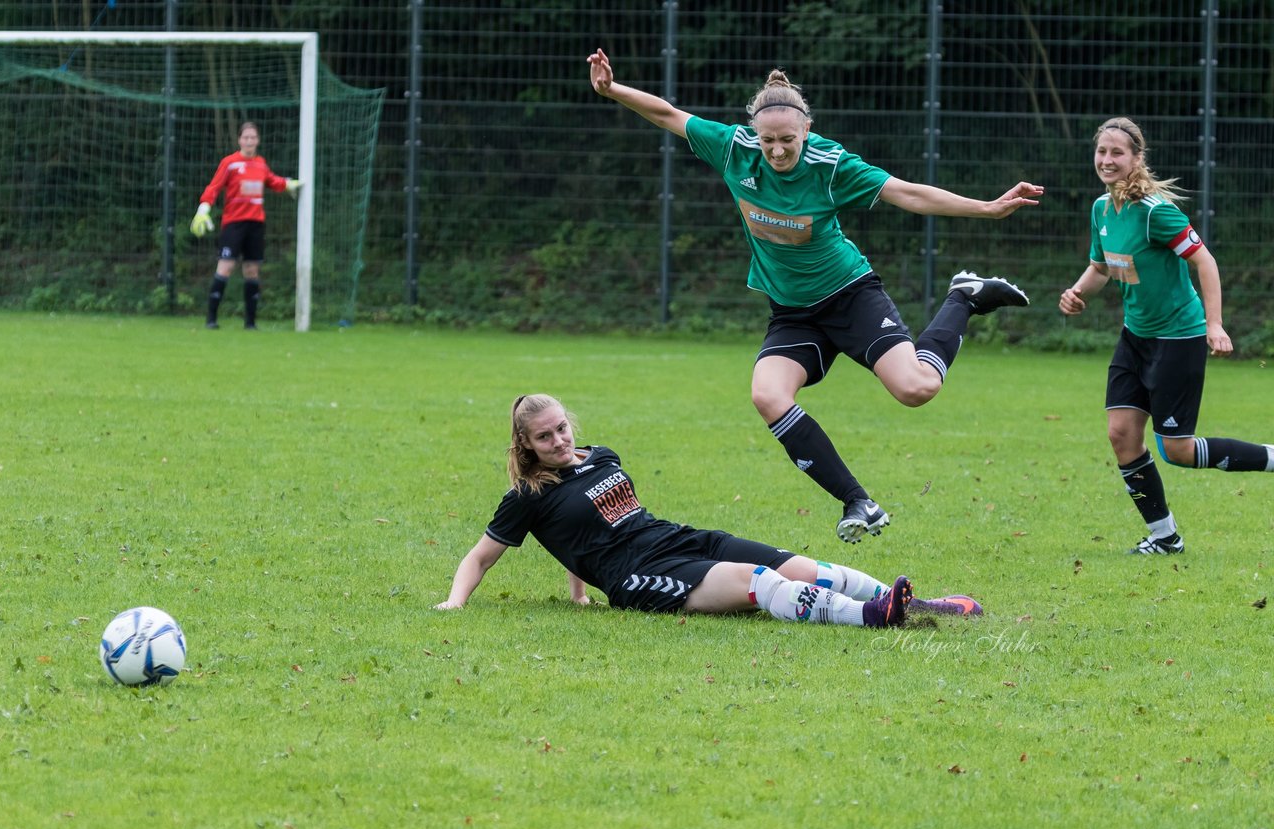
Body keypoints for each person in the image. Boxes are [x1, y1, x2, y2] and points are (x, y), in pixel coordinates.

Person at [586, 49, 1044, 545]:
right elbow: (669, 115)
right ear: (754, 134)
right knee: (767, 395)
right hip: (792, 314)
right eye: (769, 142)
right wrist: (612, 90)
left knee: (917, 390)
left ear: (806, 131)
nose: (778, 151)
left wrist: (987, 208)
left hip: (850, 297)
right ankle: (858, 501)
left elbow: (907, 193)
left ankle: (963, 296)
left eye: (788, 141)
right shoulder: (734, 149)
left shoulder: (830, 165)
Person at [436, 394, 985, 626]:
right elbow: (481, 558)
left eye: (561, 428)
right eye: (544, 436)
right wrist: (455, 602)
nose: (558, 440)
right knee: (758, 580)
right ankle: (871, 617)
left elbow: (580, 534)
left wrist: (577, 592)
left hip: (674, 538)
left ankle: (919, 605)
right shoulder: (528, 496)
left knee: (796, 564)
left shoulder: (601, 456)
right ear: (525, 444)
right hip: (640, 577)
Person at [1058, 117, 1274, 555]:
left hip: (1178, 338)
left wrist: (1214, 324)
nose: (1107, 160)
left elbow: (1205, 261)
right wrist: (1079, 293)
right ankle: (1164, 536)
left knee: (1177, 450)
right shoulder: (1102, 209)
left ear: (1137, 158)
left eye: (1117, 153)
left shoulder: (1156, 212)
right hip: (1135, 337)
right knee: (1121, 434)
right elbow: (1102, 267)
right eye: (1102, 152)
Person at [190, 121, 302, 330]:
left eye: (253, 137)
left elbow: (271, 180)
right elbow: (214, 187)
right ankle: (211, 319)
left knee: (252, 270)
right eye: (246, 137)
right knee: (226, 266)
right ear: (239, 140)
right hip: (233, 224)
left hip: (255, 224)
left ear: (258, 140)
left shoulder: (260, 163)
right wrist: (204, 208)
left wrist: (288, 184)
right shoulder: (230, 163)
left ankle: (250, 323)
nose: (249, 141)